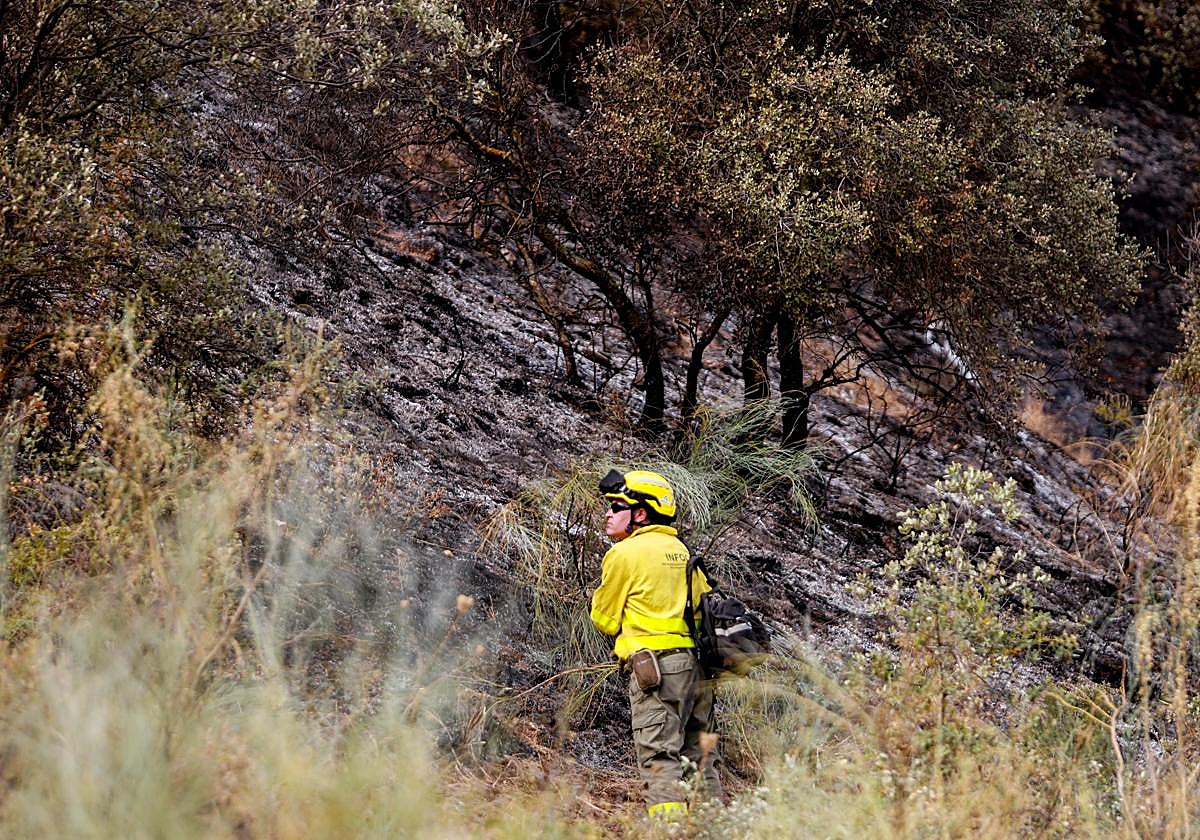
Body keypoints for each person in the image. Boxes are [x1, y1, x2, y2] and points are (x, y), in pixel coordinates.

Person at [589, 468, 722, 821]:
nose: (608, 513)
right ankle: (713, 829)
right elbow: (702, 611)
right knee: (700, 757)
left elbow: (603, 620)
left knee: (659, 757)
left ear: (641, 513)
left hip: (656, 672)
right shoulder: (682, 551)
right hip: (697, 670)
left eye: (616, 506)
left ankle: (669, 830)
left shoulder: (624, 554)